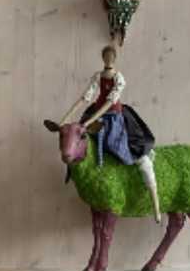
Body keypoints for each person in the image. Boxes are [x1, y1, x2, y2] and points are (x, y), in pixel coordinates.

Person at [58, 44, 159, 221]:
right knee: (79, 142)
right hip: (96, 114)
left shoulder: (119, 78)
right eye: (105, 57)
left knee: (115, 144)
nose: (108, 60)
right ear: (103, 59)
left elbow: (109, 102)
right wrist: (66, 117)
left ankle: (137, 166)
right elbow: (85, 97)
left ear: (113, 59)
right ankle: (82, 172)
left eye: (110, 57)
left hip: (114, 118)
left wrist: (90, 121)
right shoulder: (98, 76)